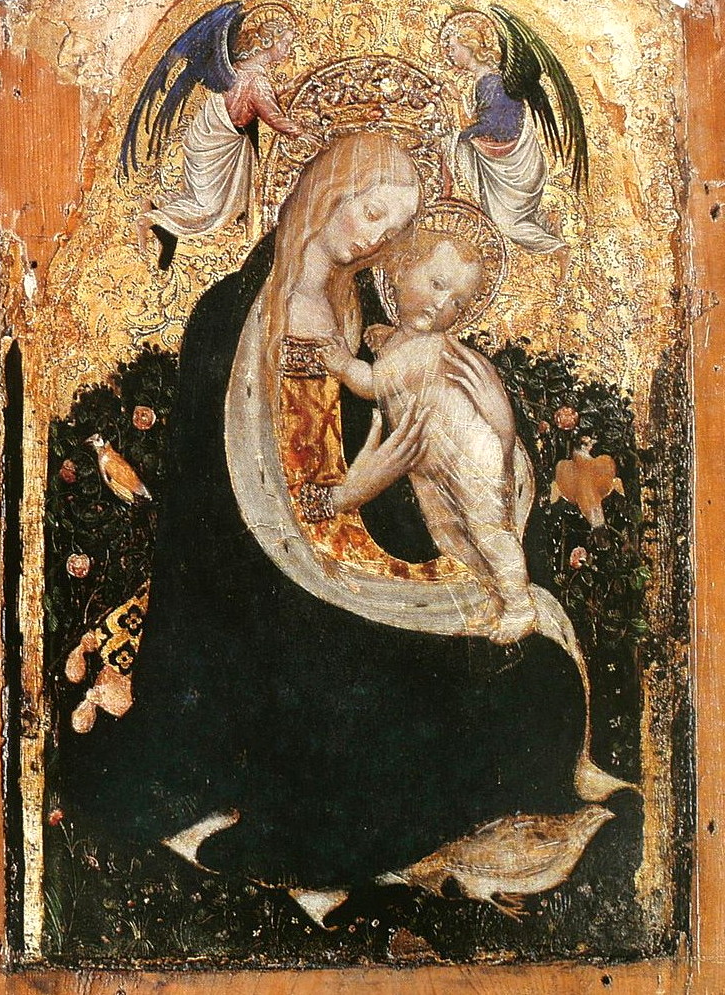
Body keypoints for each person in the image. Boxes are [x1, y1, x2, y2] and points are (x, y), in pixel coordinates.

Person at [63, 132, 619, 902]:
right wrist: (362, 485)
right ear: (329, 191)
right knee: (386, 710)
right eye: (370, 210)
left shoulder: (358, 312)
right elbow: (215, 514)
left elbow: (400, 458)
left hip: (352, 558)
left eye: (394, 228)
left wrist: (481, 422)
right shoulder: (232, 314)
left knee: (537, 672)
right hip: (263, 596)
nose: (373, 236)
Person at [320, 204, 536, 643]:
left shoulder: (429, 347)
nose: (442, 305)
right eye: (437, 284)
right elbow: (396, 361)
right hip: (432, 462)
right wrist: (383, 337)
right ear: (400, 271)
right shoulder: (406, 342)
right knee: (451, 533)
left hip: (468, 456)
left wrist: (341, 363)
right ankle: (491, 591)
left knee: (487, 529)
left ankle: (519, 603)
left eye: (457, 301)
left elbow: (372, 383)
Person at [135, 6, 315, 260]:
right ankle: (150, 220)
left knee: (202, 197)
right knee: (210, 208)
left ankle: (156, 201)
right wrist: (302, 133)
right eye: (285, 43)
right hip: (217, 142)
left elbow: (255, 100)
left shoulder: (242, 69)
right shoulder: (258, 81)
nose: (288, 50)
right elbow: (272, 116)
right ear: (268, 42)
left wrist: (288, 86)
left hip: (211, 134)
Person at [439, 11, 572, 278]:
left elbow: (499, 128)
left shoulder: (494, 83)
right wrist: (456, 103)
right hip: (502, 163)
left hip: (514, 166)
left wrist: (459, 136)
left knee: (506, 224)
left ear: (470, 46)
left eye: (452, 48)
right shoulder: (482, 81)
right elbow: (480, 119)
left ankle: (558, 248)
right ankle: (545, 220)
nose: (449, 55)